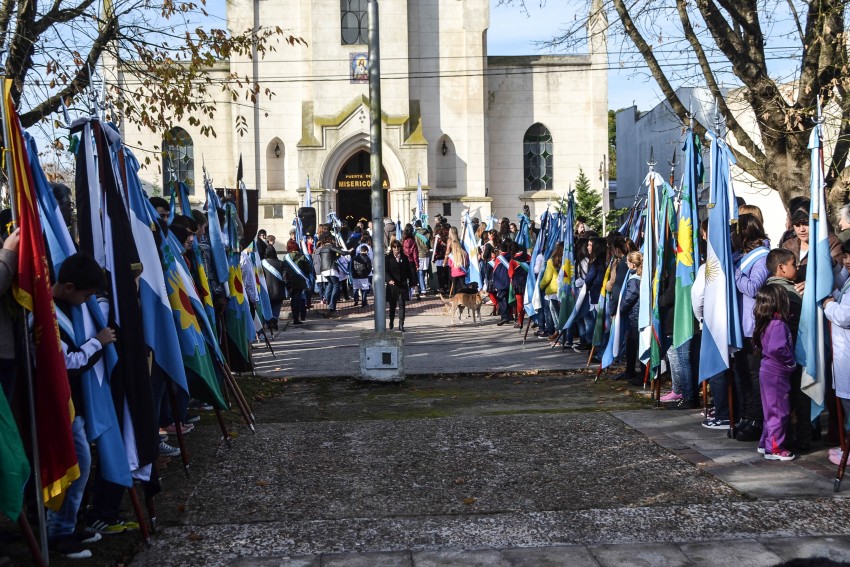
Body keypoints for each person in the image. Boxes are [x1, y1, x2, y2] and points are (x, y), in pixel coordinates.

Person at [50, 252, 118, 558]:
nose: (87, 301)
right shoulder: (46, 314)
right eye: (86, 295)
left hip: (71, 402)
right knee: (76, 465)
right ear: (68, 287)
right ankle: (59, 533)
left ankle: (69, 524)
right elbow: (67, 362)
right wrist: (98, 342)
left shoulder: (65, 305)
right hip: (56, 404)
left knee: (79, 464)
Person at [732, 214, 771, 442]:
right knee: (742, 374)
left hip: (753, 325)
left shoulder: (762, 257)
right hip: (739, 325)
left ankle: (757, 418)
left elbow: (754, 287)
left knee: (755, 375)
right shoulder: (741, 255)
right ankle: (747, 415)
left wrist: (734, 271)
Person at [753, 283, 796, 461]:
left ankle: (766, 443)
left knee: (770, 410)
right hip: (777, 373)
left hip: (768, 371)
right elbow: (778, 348)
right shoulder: (778, 324)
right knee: (779, 411)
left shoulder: (766, 322)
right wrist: (791, 361)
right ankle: (775, 448)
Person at [822, 239, 850, 465]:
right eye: (845, 256)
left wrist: (828, 304)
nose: (847, 262)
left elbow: (844, 316)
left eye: (849, 257)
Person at [614, 251, 643, 384]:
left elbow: (630, 297)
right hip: (636, 316)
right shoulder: (639, 275)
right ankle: (631, 370)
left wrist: (620, 310)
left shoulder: (635, 279)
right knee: (632, 345)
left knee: (637, 345)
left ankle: (640, 374)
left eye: (627, 262)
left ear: (632, 264)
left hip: (636, 317)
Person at [281, 239, 311, 324]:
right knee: (300, 298)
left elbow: (284, 269)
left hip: (289, 281)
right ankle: (300, 316)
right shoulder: (302, 256)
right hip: (300, 281)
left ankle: (295, 315)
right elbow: (308, 269)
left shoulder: (286, 257)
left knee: (293, 299)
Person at [537, 242, 562, 340]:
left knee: (555, 314)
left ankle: (558, 333)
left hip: (553, 290)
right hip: (560, 290)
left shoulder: (552, 261)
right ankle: (558, 332)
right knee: (558, 314)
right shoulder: (566, 260)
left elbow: (547, 277)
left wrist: (539, 287)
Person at [385, 240, 412, 331]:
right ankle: (391, 321)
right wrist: (389, 280)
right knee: (392, 306)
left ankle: (401, 324)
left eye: (398, 247)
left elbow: (409, 271)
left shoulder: (404, 258)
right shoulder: (388, 258)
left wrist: (412, 282)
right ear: (392, 248)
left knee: (402, 305)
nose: (397, 249)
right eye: (394, 247)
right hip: (392, 286)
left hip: (402, 285)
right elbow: (385, 271)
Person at [262, 246, 286, 330]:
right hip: (279, 289)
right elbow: (285, 277)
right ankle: (275, 319)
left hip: (267, 290)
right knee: (277, 306)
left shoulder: (262, 263)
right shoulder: (281, 263)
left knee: (268, 306)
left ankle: (269, 322)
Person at [492, 241, 512, 326]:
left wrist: (494, 282)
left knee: (502, 300)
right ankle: (509, 316)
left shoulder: (499, 258)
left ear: (500, 251)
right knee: (508, 299)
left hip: (501, 282)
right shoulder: (511, 256)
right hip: (510, 281)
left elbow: (495, 271)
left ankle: (504, 317)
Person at [402, 224, 420, 298]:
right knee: (413, 278)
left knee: (405, 278)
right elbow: (415, 254)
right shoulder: (413, 241)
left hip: (405, 261)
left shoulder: (403, 241)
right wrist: (417, 264)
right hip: (411, 261)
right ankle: (416, 292)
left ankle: (407, 295)